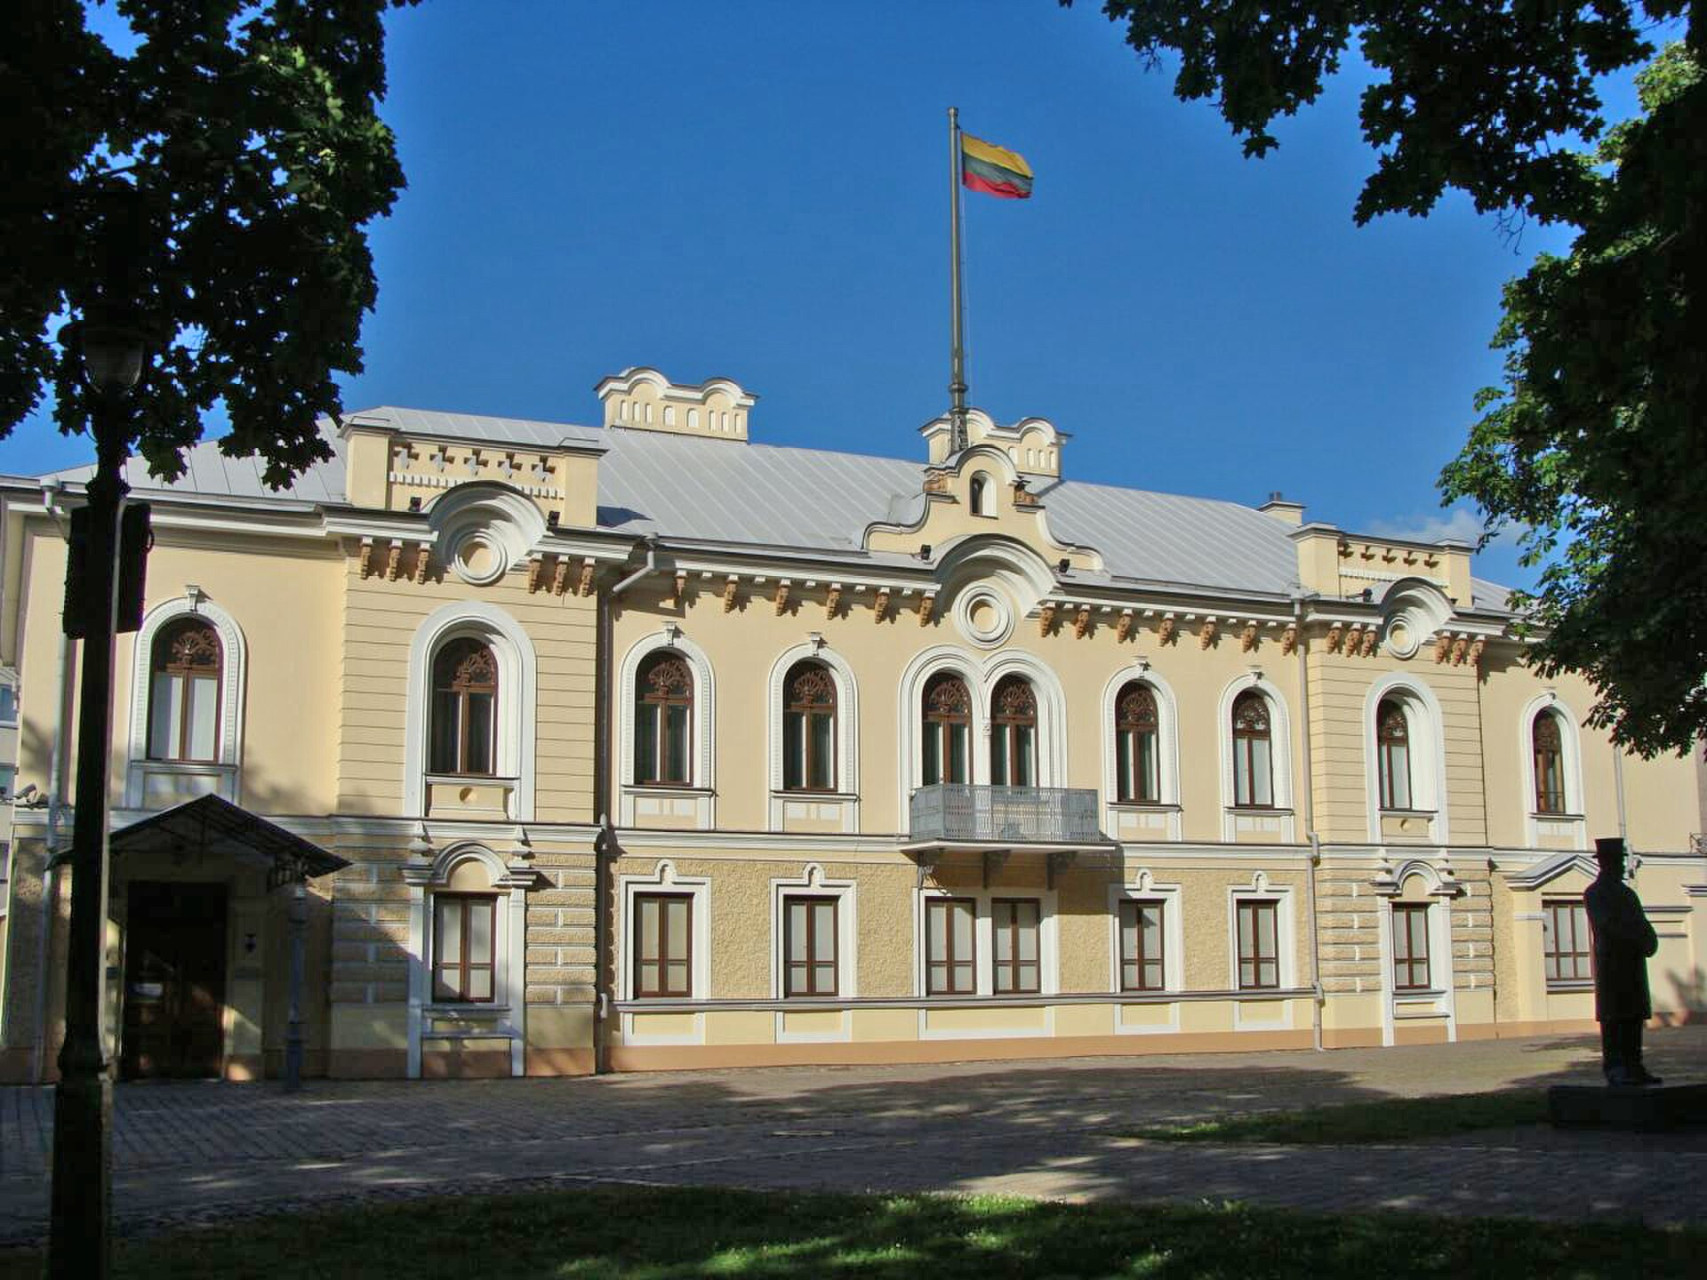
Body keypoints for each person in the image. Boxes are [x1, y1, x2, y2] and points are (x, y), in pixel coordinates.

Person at [1583, 837, 1661, 1087]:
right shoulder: (1595, 893)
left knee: (1633, 1016)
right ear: (1604, 863)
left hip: (1632, 964)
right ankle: (1616, 1067)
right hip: (1612, 964)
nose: (1619, 866)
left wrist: (1648, 941)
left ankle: (1634, 1065)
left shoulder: (1628, 894)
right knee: (1614, 1017)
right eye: (1616, 861)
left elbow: (1642, 922)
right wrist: (1635, 937)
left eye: (1620, 861)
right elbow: (1607, 925)